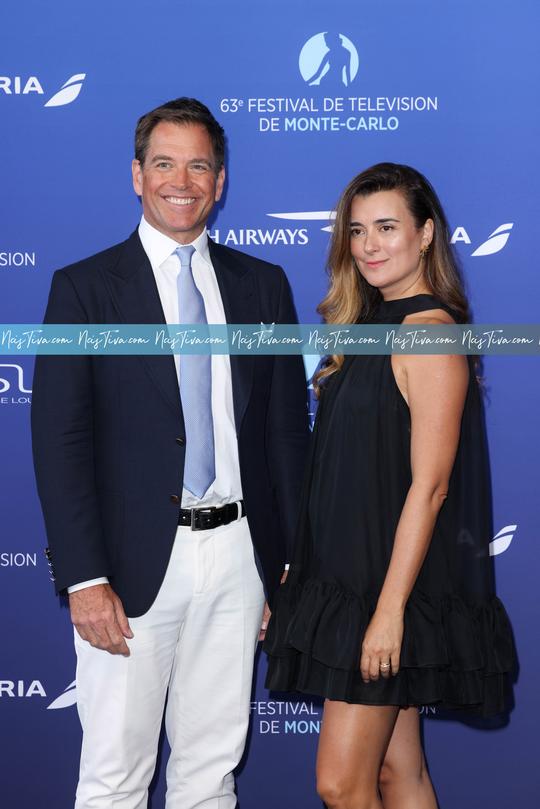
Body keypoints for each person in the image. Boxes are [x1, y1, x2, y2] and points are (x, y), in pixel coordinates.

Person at [31, 97, 309, 809]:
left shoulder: (262, 285)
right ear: (136, 175)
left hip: (240, 556)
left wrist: (285, 559)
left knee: (210, 770)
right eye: (163, 163)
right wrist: (84, 576)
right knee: (115, 775)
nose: (179, 180)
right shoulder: (84, 289)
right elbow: (60, 440)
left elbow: (284, 431)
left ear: (220, 182)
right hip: (126, 569)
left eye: (198, 165)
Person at [264, 163, 516, 809]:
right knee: (396, 776)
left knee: (340, 783)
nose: (369, 244)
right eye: (356, 230)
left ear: (426, 234)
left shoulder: (429, 335)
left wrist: (388, 612)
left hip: (384, 592)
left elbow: (430, 488)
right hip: (350, 580)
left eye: (386, 227)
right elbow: (342, 473)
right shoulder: (366, 329)